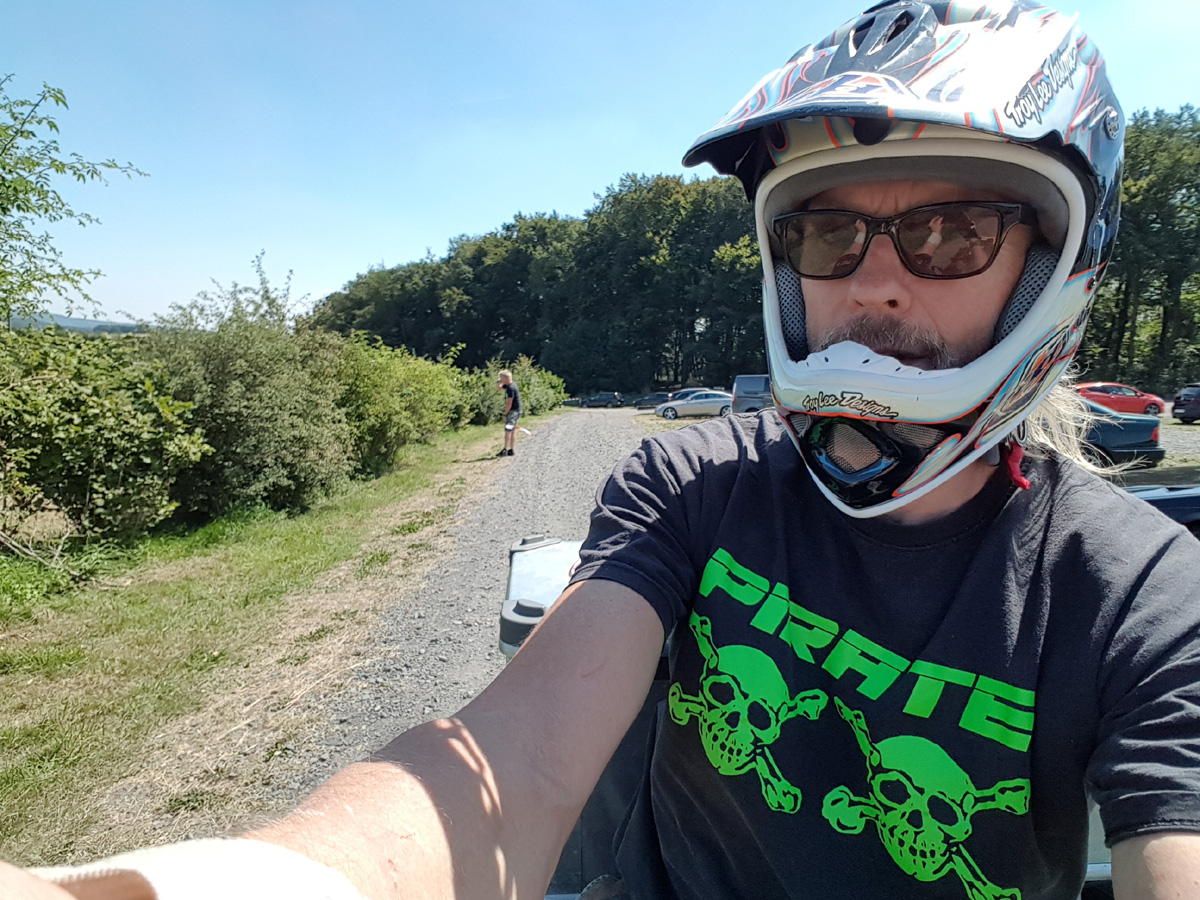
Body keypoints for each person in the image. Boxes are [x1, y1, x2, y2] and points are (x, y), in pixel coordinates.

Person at [8, 3, 1200, 899]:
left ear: (1055, 263)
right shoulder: (696, 483)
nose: (873, 283)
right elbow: (514, 762)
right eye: (827, 232)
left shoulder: (1142, 595)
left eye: (950, 231)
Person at [497, 369, 521, 457]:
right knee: (512, 429)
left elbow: (509, 403)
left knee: (508, 429)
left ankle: (505, 449)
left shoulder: (510, 388)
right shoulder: (510, 385)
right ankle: (511, 449)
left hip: (513, 410)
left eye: (501, 378)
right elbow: (500, 388)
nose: (500, 379)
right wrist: (499, 383)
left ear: (505, 378)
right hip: (517, 410)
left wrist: (506, 413)